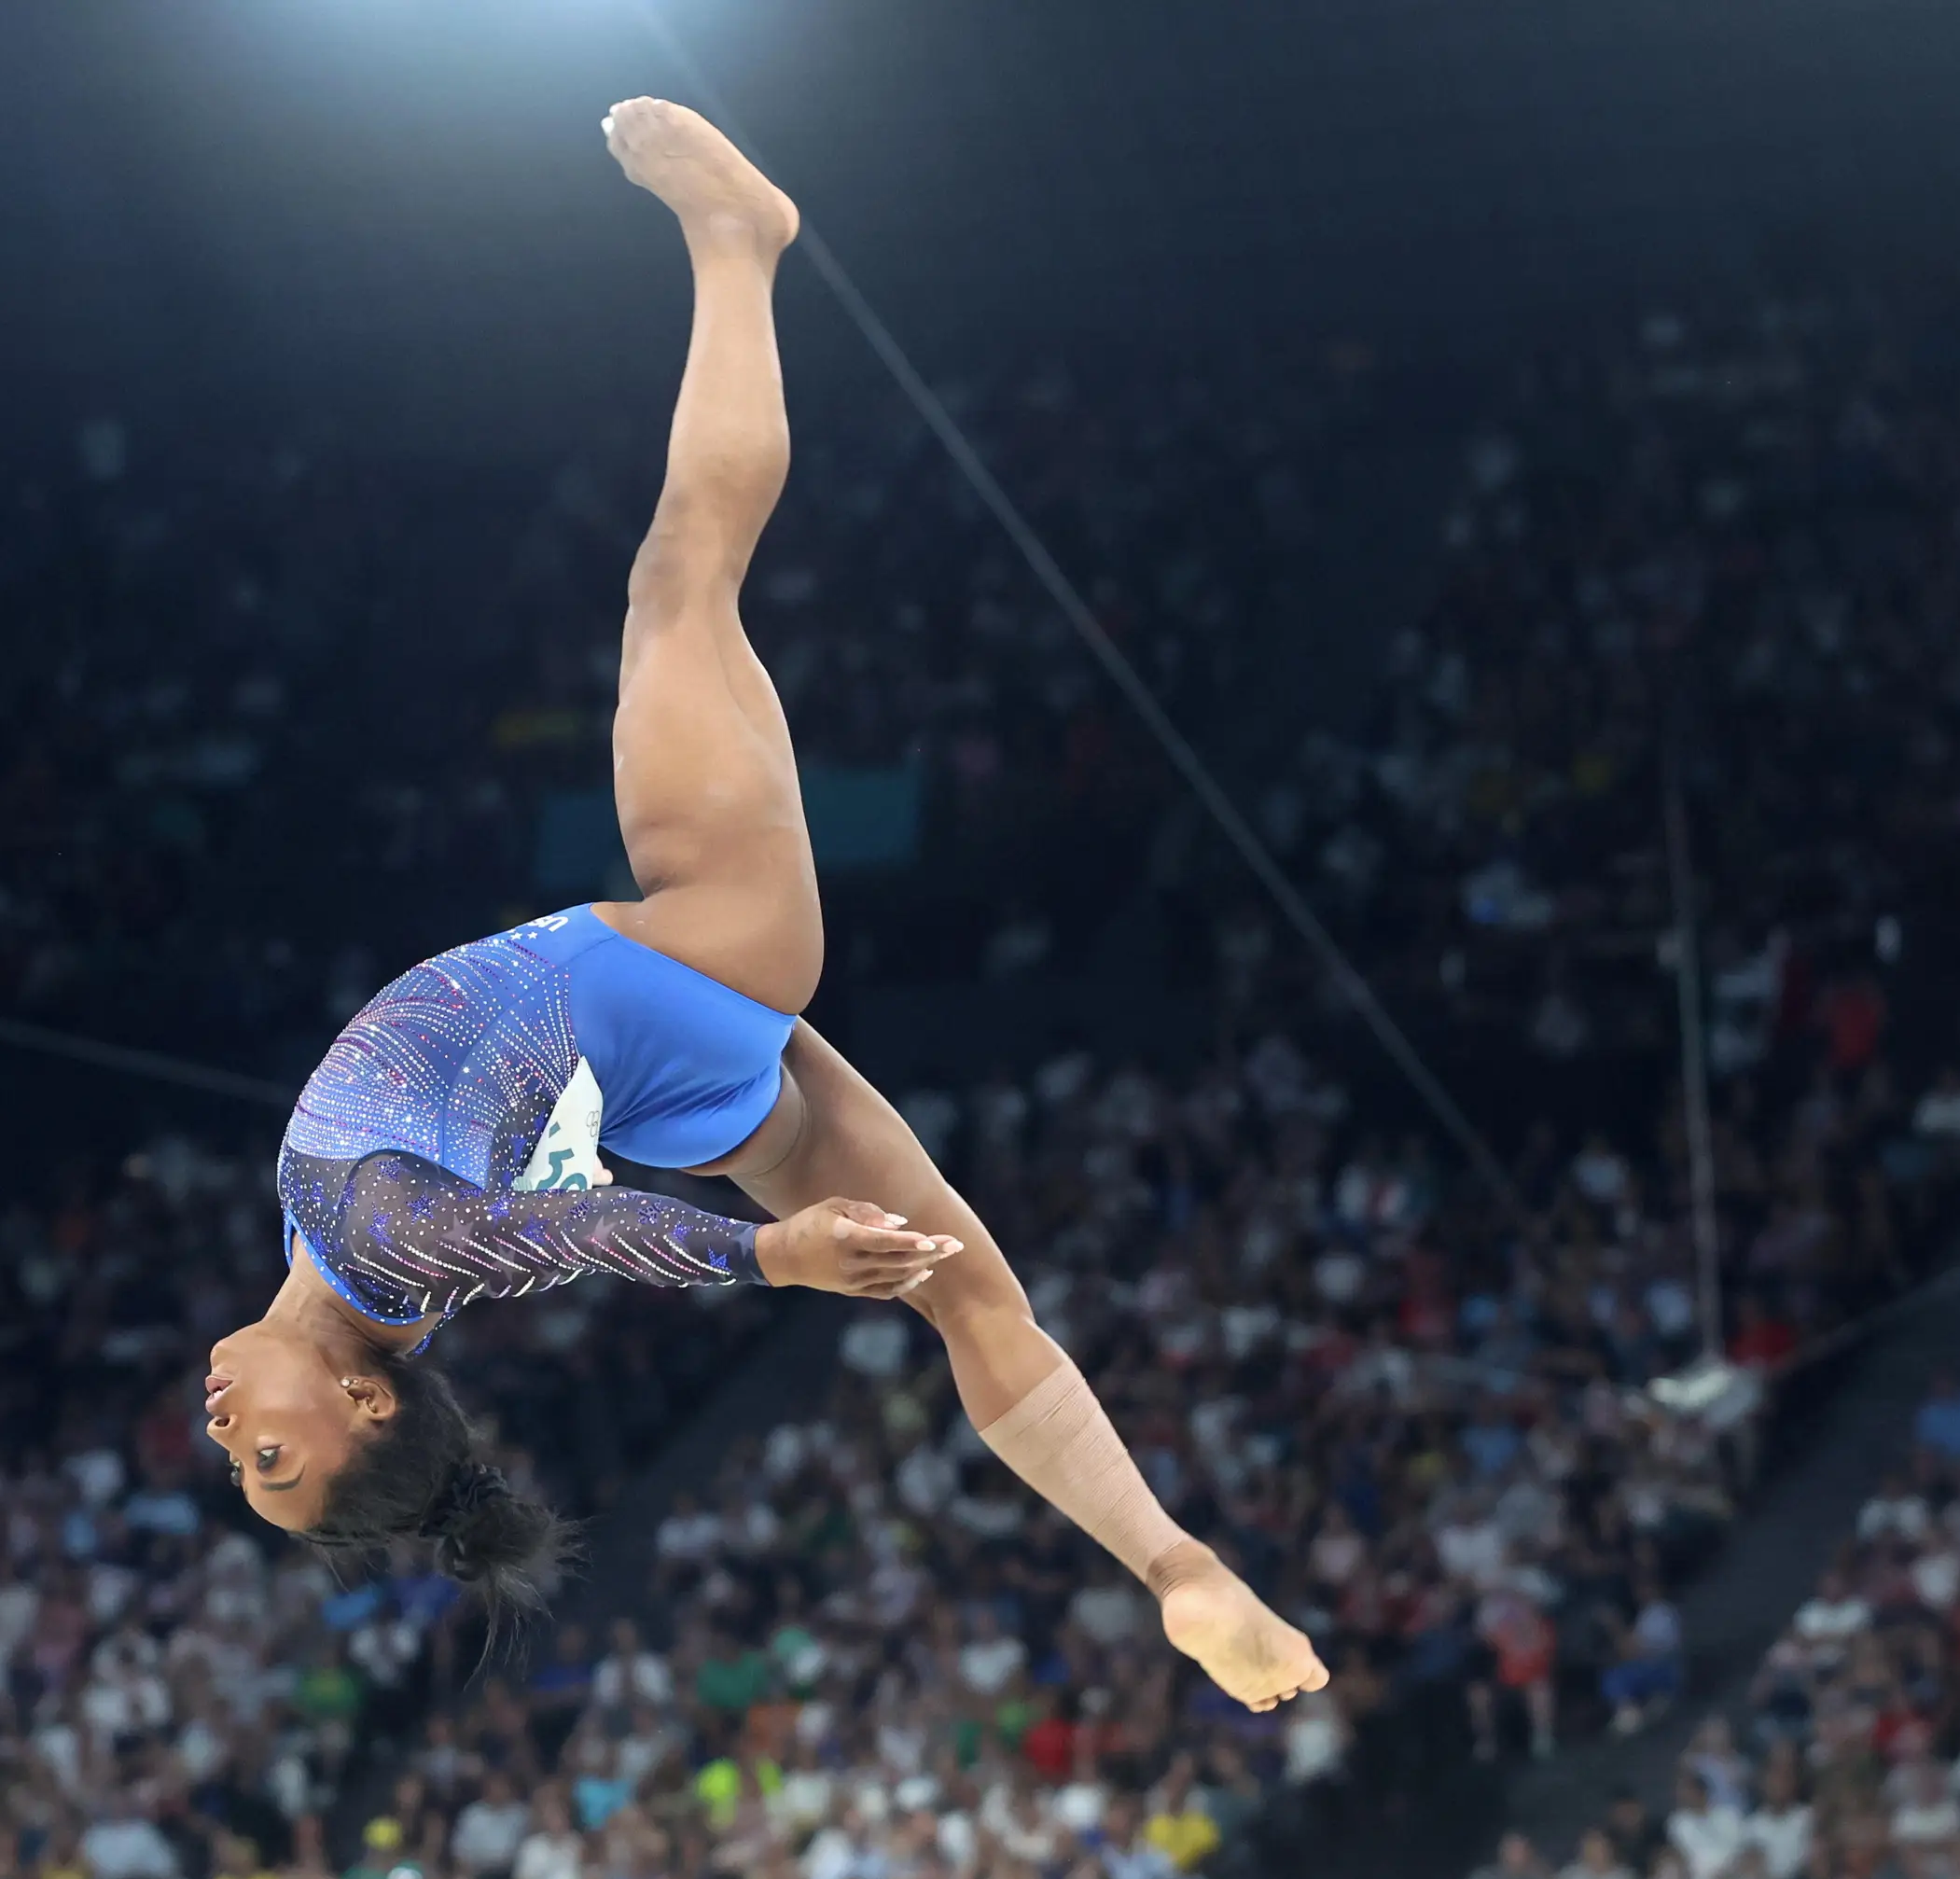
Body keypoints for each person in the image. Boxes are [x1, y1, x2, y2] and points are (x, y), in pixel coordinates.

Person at [202, 99, 1324, 1715]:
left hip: (688, 1073)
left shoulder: (367, 1269)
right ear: (366, 1407)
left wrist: (766, 1230)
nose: (231, 1436)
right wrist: (770, 1255)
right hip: (699, 951)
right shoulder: (381, 1248)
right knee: (680, 582)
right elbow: (576, 1230)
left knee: (967, 1291)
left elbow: (542, 1225)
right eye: (273, 1460)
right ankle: (741, 241)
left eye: (241, 1465)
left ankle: (1177, 1568)